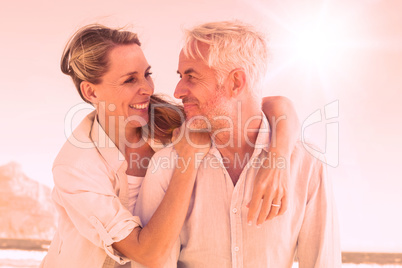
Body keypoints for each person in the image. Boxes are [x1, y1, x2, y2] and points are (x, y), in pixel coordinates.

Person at [40, 24, 300, 268]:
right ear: (91, 92)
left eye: (147, 74)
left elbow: (270, 105)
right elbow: (148, 253)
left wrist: (278, 161)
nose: (146, 88)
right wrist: (187, 161)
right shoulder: (75, 167)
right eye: (130, 80)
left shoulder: (171, 120)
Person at [134, 20, 341, 267]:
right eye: (181, 76)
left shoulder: (306, 165)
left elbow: (322, 262)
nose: (178, 91)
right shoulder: (165, 166)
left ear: (235, 82)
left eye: (192, 76)